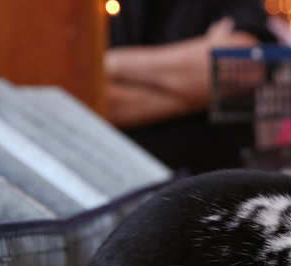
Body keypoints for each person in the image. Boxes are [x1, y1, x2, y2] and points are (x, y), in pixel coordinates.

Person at [106, 0, 275, 173]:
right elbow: (92, 99)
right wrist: (200, 91)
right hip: (116, 175)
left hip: (211, 182)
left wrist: (109, 63)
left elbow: (245, 67)